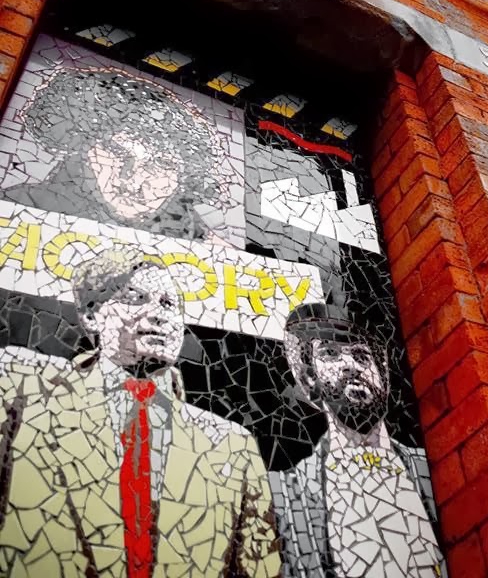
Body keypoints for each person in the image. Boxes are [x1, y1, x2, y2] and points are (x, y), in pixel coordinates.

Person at [0, 246, 281, 578]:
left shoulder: (233, 446)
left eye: (168, 304)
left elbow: (261, 567)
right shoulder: (24, 387)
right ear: (91, 315)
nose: (158, 314)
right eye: (135, 298)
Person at [270, 303, 444, 578]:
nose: (350, 366)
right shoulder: (289, 493)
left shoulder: (434, 469)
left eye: (362, 356)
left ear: (383, 375)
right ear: (309, 378)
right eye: (330, 354)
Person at [2, 67, 236, 240]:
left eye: (162, 164)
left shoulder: (201, 246)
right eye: (117, 152)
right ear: (84, 146)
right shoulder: (16, 208)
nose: (133, 180)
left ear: (184, 178)